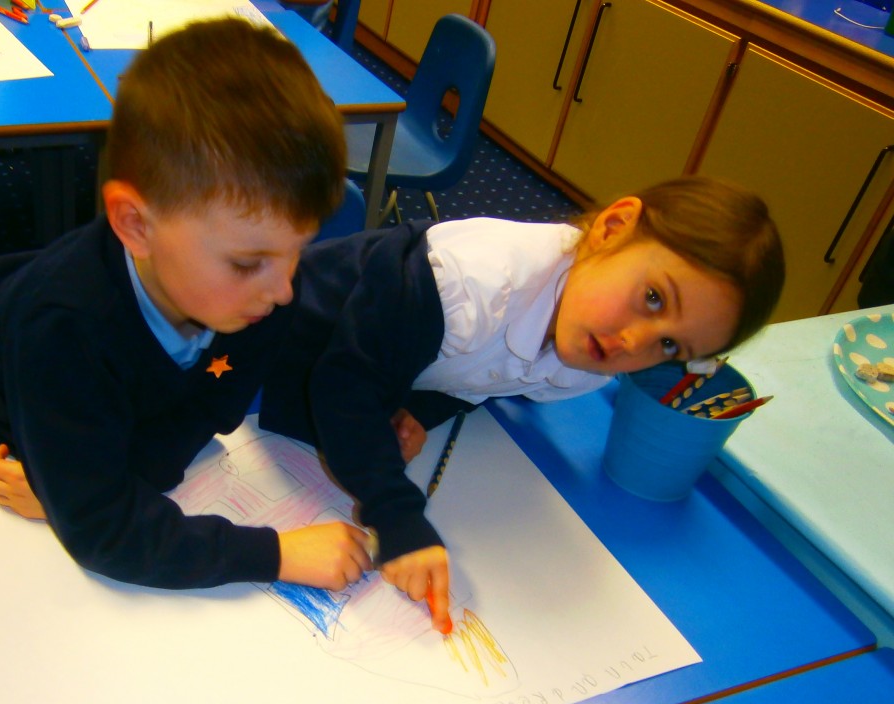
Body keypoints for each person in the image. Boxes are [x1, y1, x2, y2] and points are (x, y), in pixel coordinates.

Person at [0, 18, 376, 592]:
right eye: (250, 262)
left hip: (30, 339)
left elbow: (207, 412)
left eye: (298, 250)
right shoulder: (60, 330)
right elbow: (104, 535)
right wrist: (273, 554)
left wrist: (87, 489)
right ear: (136, 225)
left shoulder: (254, 292)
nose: (284, 290)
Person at [260, 175, 784, 634]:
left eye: (669, 346)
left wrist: (422, 409)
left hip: (367, 373)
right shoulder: (476, 280)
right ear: (614, 227)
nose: (634, 341)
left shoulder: (587, 353)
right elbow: (345, 386)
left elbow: (482, 375)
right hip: (272, 350)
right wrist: (397, 515)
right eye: (653, 297)